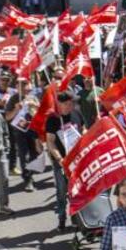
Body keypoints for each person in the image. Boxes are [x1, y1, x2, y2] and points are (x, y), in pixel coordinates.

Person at [45, 91, 85, 232]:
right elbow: (50, 142)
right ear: (59, 104)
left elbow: (83, 129)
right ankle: (61, 218)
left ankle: (77, 218)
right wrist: (59, 159)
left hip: (78, 160)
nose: (70, 106)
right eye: (67, 103)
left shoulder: (76, 114)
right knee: (62, 191)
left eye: (71, 103)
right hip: (62, 161)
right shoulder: (53, 119)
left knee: (77, 190)